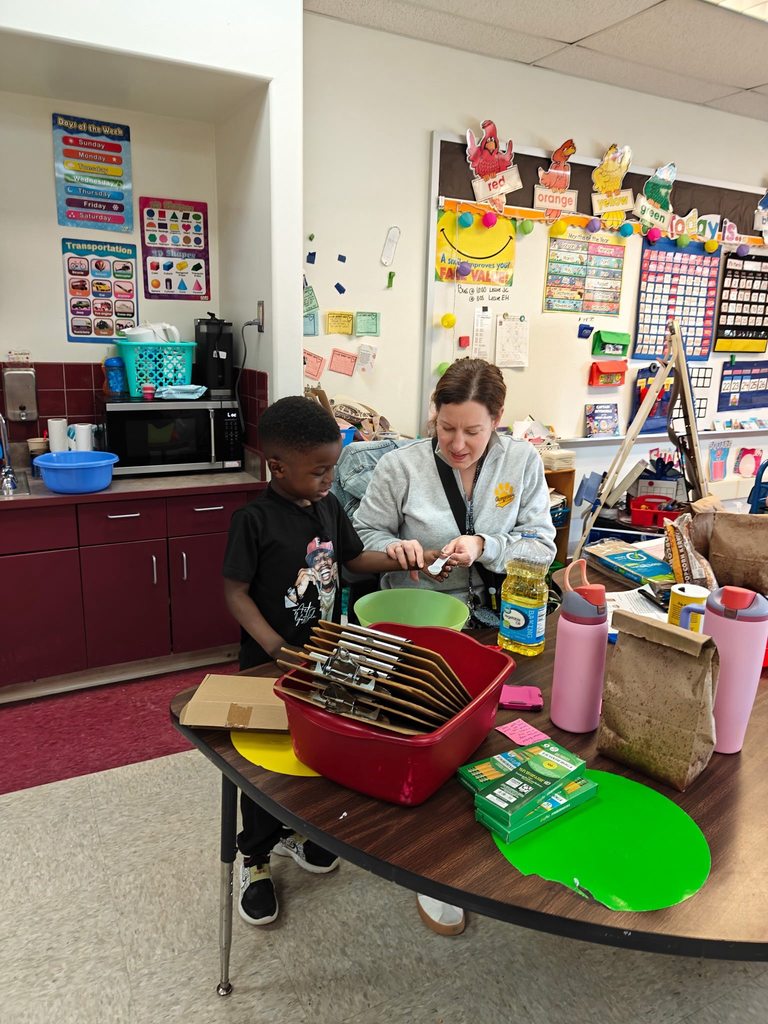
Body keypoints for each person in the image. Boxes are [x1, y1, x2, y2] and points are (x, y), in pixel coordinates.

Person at [222, 396, 445, 927]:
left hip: (323, 651)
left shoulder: (326, 506)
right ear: (278, 467)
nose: (330, 480)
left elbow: (352, 561)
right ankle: (253, 856)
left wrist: (406, 555)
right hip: (267, 659)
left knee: (312, 749)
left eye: (334, 468)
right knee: (262, 764)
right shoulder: (252, 520)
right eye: (320, 471)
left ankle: (295, 831)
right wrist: (275, 648)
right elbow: (234, 592)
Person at [353, 357, 556, 934]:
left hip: (503, 618)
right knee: (431, 739)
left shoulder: (523, 461)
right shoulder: (401, 466)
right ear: (433, 417)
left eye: (474, 431)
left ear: (498, 421)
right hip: (419, 620)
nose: (458, 444)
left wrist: (485, 545)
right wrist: (399, 551)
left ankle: (493, 848)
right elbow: (361, 537)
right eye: (446, 429)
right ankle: (433, 870)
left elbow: (542, 545)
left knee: (494, 741)